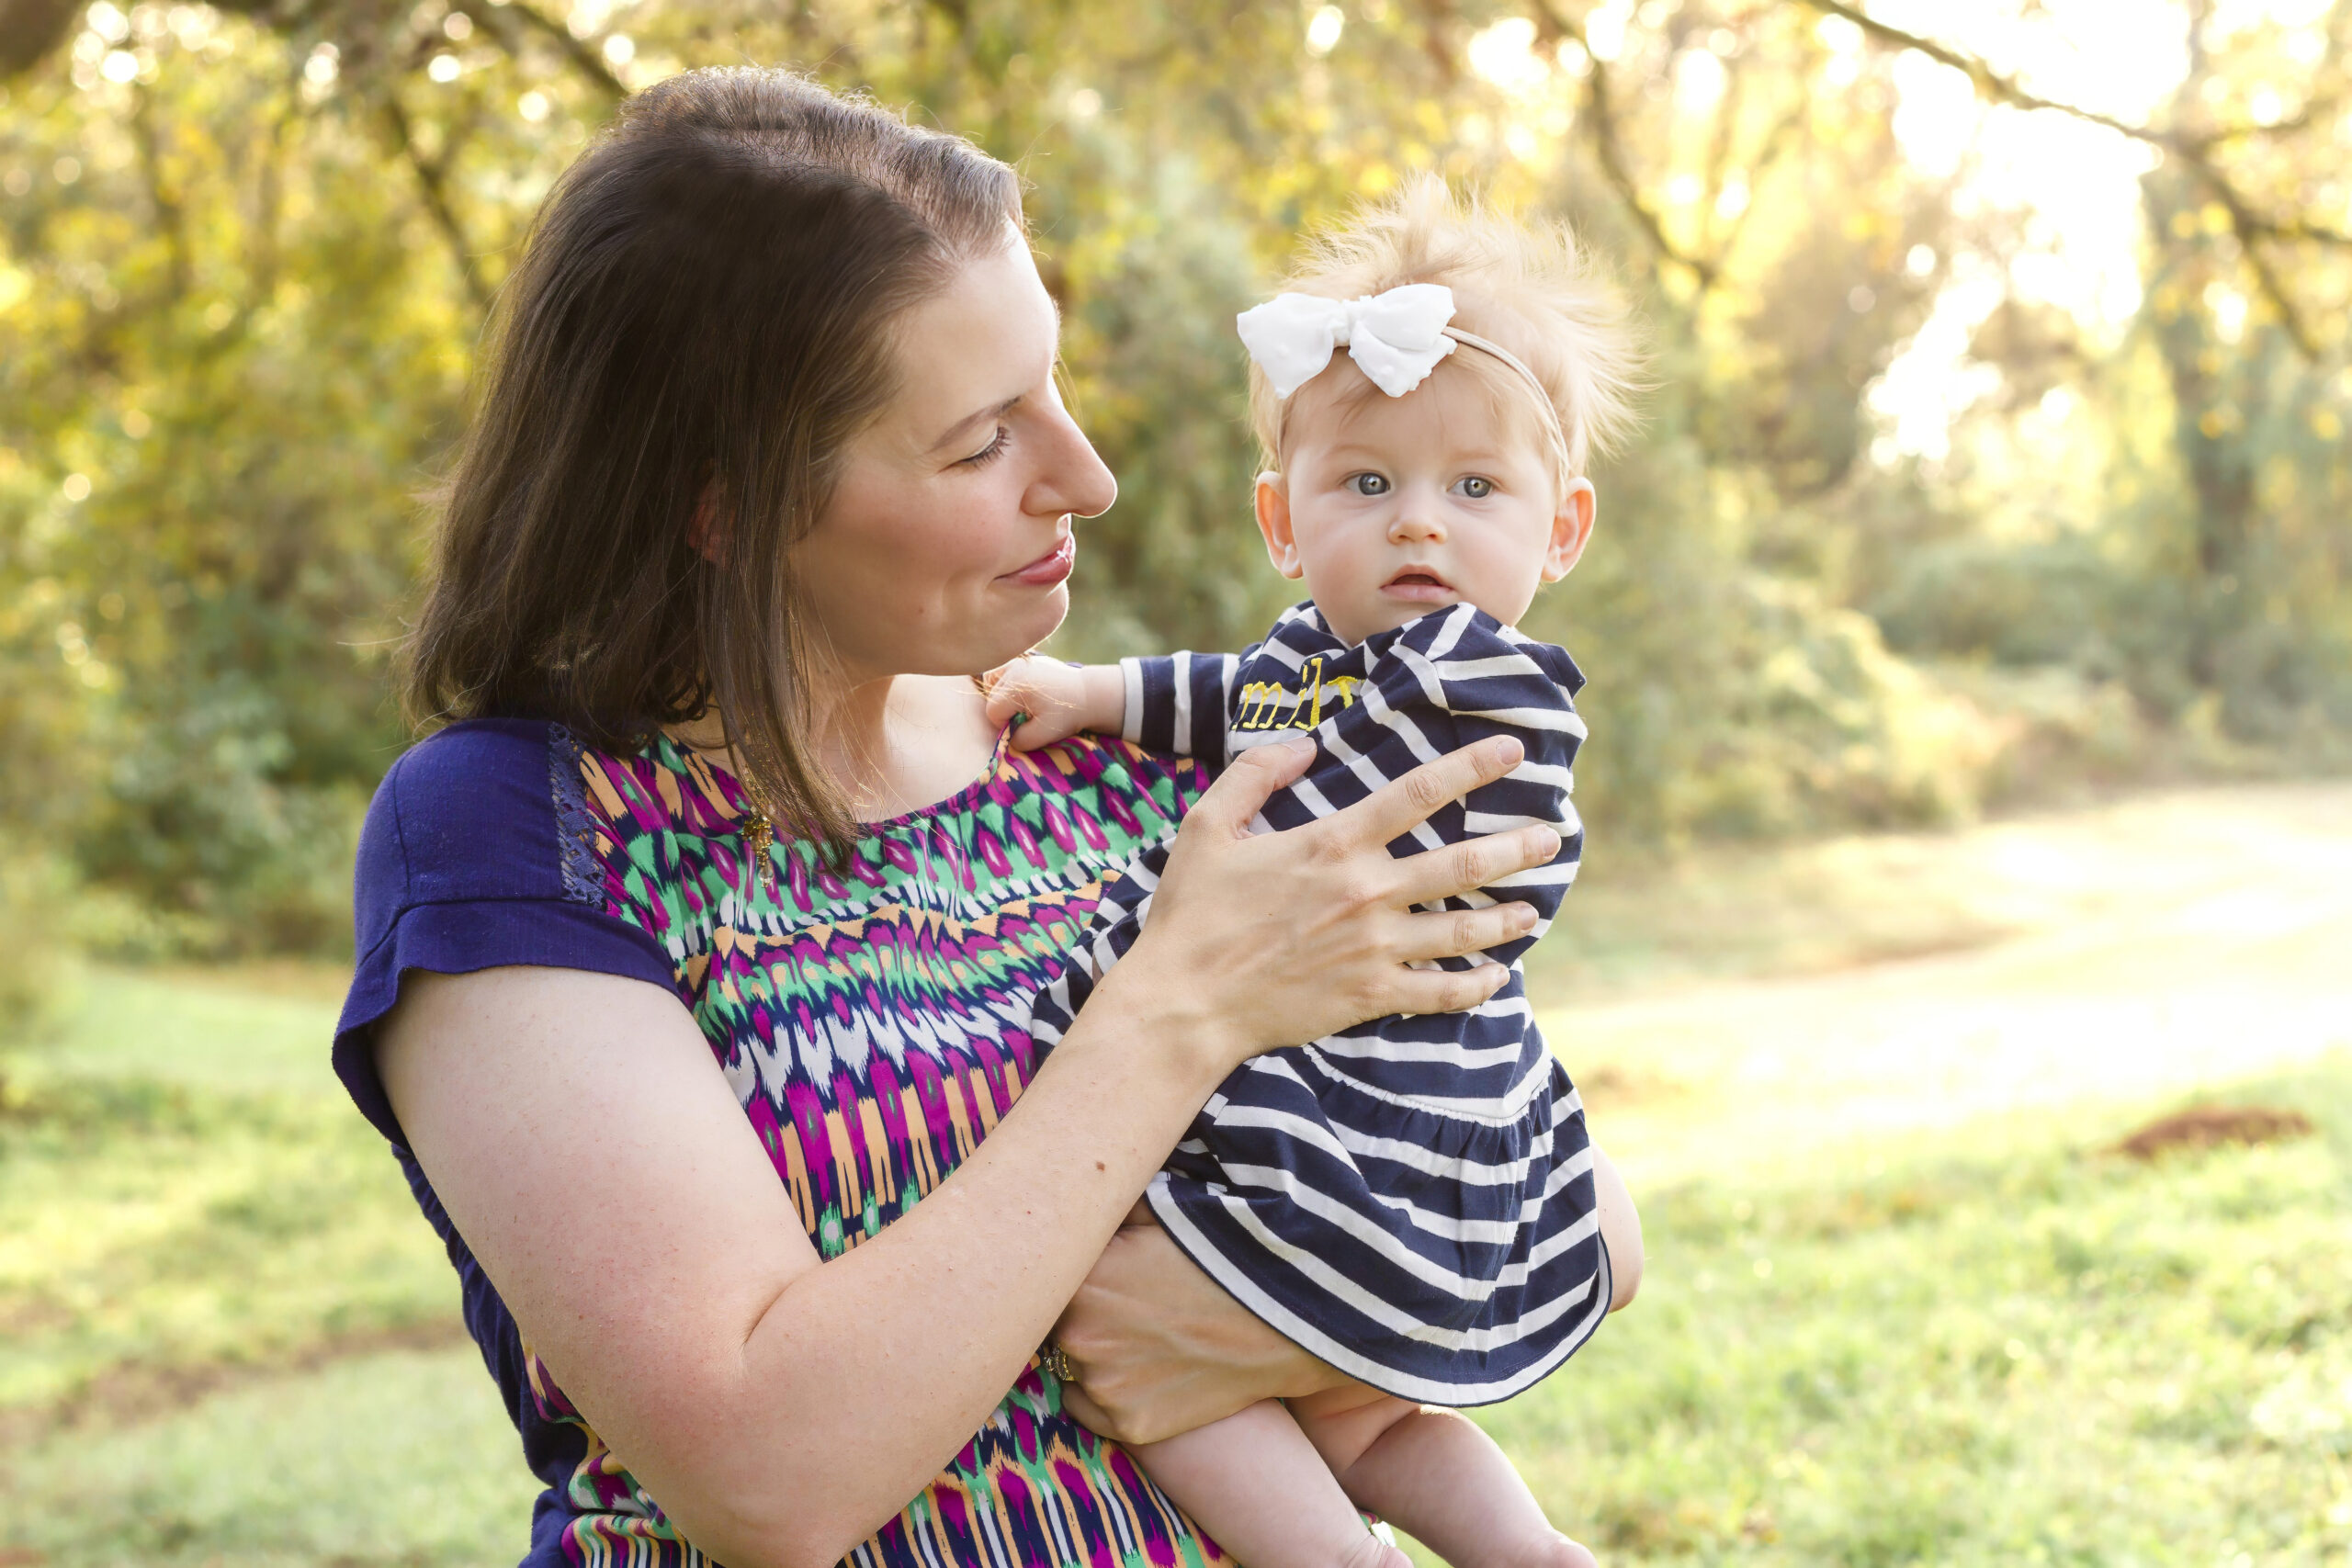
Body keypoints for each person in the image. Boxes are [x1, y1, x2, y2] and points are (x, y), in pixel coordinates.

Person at [330, 68, 1573, 1568]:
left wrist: (1239, 1327)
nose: (1089, 478)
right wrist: (1174, 1017)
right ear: (722, 506)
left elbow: (1573, 1222)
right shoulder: (522, 840)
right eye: (983, 442)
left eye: (1053, 388)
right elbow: (769, 1479)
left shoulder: (1090, 747)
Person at [985, 184, 1645, 1568]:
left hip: (1369, 1133)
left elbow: (1363, 832)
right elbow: (1234, 699)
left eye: (1474, 489)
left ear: (1560, 530)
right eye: (1368, 485)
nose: (1420, 526)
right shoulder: (1310, 663)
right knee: (1359, 1419)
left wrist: (1163, 914)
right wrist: (1100, 693)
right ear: (1284, 523)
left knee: (1150, 1379)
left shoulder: (1487, 684)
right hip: (1337, 1141)